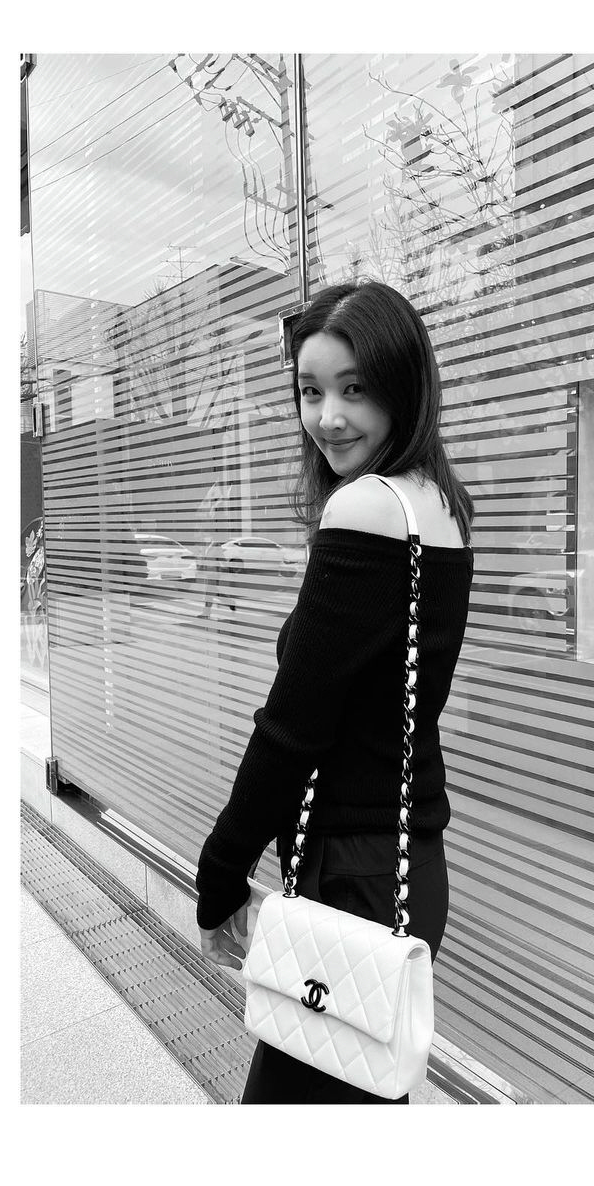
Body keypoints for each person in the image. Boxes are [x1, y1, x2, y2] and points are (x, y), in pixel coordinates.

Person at [195, 280, 475, 1104]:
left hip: (352, 878)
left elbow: (293, 726)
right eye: (310, 391)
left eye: (355, 389)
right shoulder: (437, 505)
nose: (328, 417)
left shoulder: (365, 507)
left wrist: (220, 872)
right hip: (405, 862)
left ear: (402, 385)